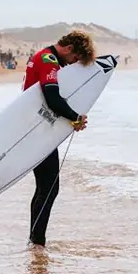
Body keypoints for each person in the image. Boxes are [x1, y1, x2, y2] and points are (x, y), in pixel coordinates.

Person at [22, 30, 96, 248]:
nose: (72, 65)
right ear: (70, 49)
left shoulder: (46, 58)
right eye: (75, 60)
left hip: (36, 128)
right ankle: (37, 241)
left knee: (45, 187)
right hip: (37, 131)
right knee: (48, 187)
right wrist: (74, 117)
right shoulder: (48, 60)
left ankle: (36, 239)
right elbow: (52, 98)